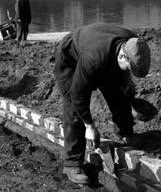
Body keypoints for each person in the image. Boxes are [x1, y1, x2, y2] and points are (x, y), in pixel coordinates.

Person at [54, 23, 151, 185]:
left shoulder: (133, 44)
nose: (128, 72)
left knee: (118, 94)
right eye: (129, 68)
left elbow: (124, 80)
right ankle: (72, 164)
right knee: (73, 109)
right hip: (71, 58)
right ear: (122, 57)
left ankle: (126, 133)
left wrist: (130, 97)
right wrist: (89, 126)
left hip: (102, 54)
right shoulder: (94, 59)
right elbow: (78, 94)